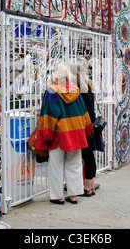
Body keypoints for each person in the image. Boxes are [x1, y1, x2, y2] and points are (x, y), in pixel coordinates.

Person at [35, 65, 93, 205]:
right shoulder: (75, 91)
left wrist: (46, 134)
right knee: (74, 164)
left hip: (58, 135)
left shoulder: (52, 92)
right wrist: (87, 128)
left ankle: (58, 196)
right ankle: (73, 195)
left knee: (56, 165)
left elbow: (49, 115)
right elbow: (83, 112)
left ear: (55, 78)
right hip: (76, 133)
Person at [70, 64, 104, 197]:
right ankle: (90, 187)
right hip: (90, 124)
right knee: (89, 156)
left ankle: (87, 187)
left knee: (86, 156)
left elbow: (87, 109)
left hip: (85, 126)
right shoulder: (88, 86)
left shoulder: (80, 89)